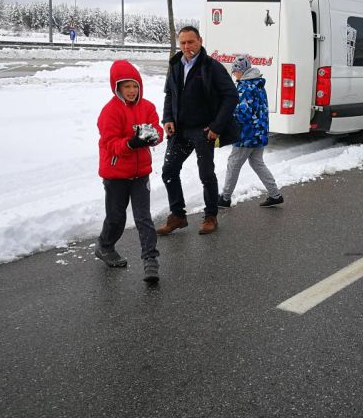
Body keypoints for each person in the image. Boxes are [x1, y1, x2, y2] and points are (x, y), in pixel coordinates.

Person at [157, 26, 239, 236]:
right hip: (180, 130)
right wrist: (167, 118)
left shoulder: (212, 67)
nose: (186, 47)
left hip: (203, 131)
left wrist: (217, 126)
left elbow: (231, 96)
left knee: (206, 174)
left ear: (200, 41)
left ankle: (210, 216)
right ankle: (178, 215)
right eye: (183, 43)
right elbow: (169, 94)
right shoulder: (176, 64)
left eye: (190, 42)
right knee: (169, 171)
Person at [95, 60, 164, 283]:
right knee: (116, 217)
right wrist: (131, 143)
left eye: (135, 86)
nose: (132, 91)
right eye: (127, 86)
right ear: (117, 87)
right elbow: (110, 144)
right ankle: (105, 246)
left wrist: (154, 137)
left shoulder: (148, 107)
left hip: (140, 173)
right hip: (116, 174)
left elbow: (157, 129)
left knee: (143, 217)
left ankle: (150, 260)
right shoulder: (110, 111)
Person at [218, 55, 284, 209]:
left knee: (233, 164)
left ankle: (225, 198)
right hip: (259, 132)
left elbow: (243, 113)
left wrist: (226, 117)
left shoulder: (245, 87)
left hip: (246, 134)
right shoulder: (258, 84)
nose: (234, 74)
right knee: (257, 163)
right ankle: (275, 195)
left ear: (241, 70)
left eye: (235, 71)